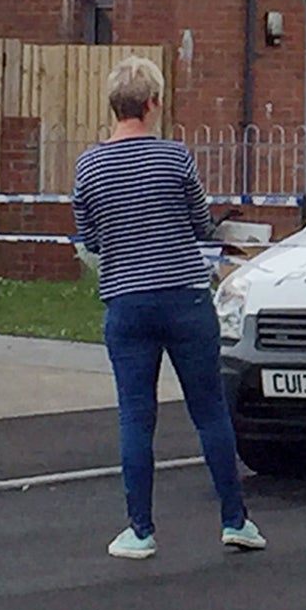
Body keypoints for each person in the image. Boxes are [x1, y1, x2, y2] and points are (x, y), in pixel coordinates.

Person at [73, 56, 265, 560]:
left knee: (136, 416)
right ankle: (235, 520)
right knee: (208, 412)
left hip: (126, 300)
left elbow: (89, 237)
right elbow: (201, 224)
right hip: (183, 295)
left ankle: (139, 529)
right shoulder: (174, 157)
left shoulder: (88, 166)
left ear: (113, 103)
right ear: (153, 102)